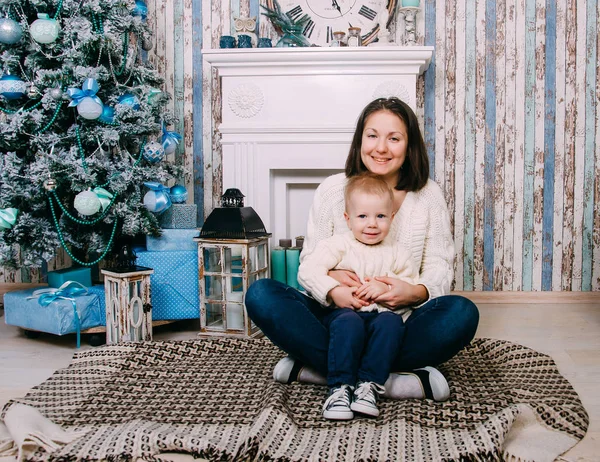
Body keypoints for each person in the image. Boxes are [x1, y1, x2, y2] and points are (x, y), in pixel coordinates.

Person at [245, 96, 479, 414]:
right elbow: (311, 261)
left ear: (408, 146)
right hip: (338, 318)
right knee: (261, 294)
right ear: (360, 140)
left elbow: (438, 265)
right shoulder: (332, 190)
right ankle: (396, 381)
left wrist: (412, 290)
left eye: (393, 138)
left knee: (462, 313)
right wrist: (334, 284)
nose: (381, 148)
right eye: (372, 135)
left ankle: (318, 371)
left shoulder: (427, 195)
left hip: (396, 322)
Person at [298, 172, 420, 420]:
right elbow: (307, 270)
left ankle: (368, 386)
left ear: (392, 218)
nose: (372, 224)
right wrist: (334, 290)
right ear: (348, 219)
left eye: (381, 216)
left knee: (392, 323)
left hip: (380, 316)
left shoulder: (397, 252)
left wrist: (386, 289)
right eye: (363, 216)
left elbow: (410, 282)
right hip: (343, 314)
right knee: (348, 322)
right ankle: (340, 387)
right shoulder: (338, 245)